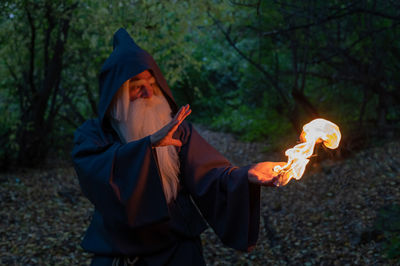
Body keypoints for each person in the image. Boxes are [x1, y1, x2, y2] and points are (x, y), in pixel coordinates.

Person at [72, 28, 286, 266]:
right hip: (119, 252)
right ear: (116, 94)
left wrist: (246, 175)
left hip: (176, 248)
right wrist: (147, 147)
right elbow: (95, 175)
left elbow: (210, 175)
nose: (149, 93)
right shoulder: (93, 135)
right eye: (136, 86)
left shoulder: (177, 129)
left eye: (151, 83)